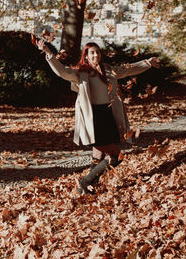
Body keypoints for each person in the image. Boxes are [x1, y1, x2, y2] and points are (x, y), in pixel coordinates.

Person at [36, 40, 160, 194]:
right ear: (86, 56)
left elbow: (128, 70)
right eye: (92, 53)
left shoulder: (108, 69)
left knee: (98, 155)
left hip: (108, 115)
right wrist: (49, 53)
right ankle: (85, 181)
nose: (96, 55)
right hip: (93, 117)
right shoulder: (81, 73)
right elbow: (62, 71)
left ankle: (88, 186)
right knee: (116, 155)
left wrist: (147, 63)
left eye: (98, 52)